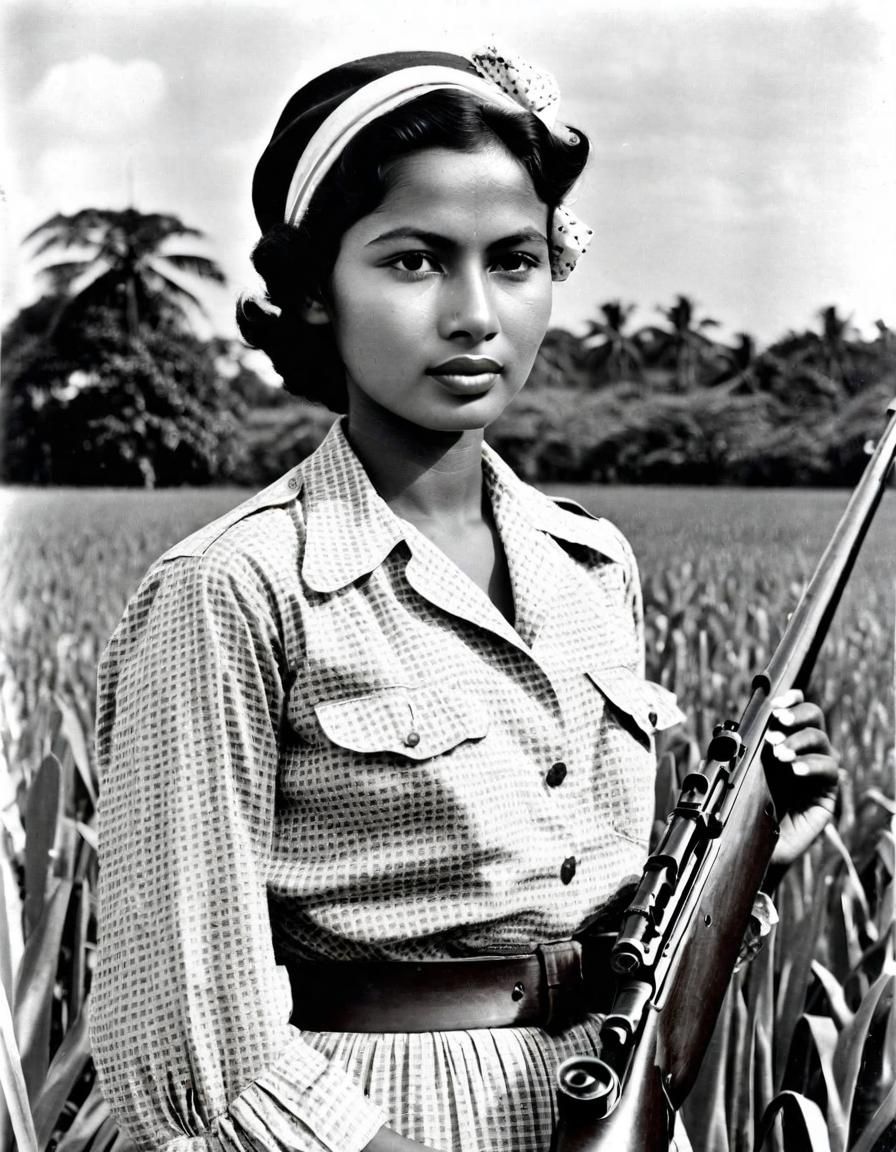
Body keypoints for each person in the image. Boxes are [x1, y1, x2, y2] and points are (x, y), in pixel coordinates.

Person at [91, 47, 839, 1152]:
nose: (475, 313)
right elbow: (189, 1026)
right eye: (414, 261)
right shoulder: (231, 589)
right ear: (315, 290)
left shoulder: (590, 565)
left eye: (515, 261)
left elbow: (608, 945)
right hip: (366, 1123)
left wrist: (745, 856)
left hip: (600, 1106)